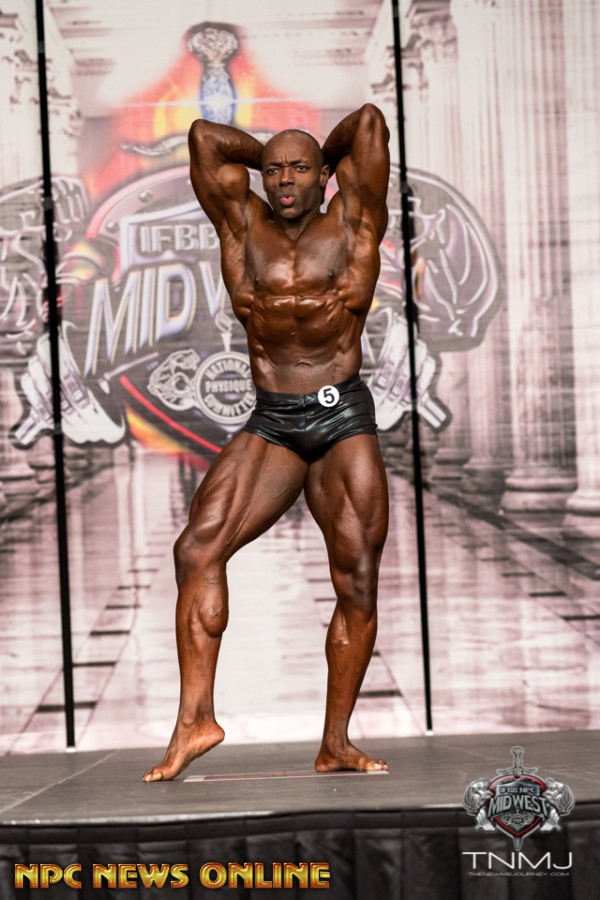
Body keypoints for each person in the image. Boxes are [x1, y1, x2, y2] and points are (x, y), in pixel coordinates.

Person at [143, 103, 390, 782]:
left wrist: (319, 154)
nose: (284, 179)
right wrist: (272, 156)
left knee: (357, 579)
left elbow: (369, 124)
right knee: (197, 549)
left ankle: (335, 742)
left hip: (342, 418)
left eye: (299, 169)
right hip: (274, 418)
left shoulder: (354, 218)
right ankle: (196, 720)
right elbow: (204, 139)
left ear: (324, 175)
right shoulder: (242, 223)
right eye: (274, 169)